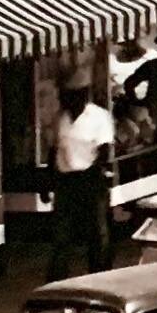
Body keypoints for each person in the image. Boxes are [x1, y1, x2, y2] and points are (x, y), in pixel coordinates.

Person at [46, 82, 116, 279]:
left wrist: (97, 176)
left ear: (83, 97)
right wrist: (49, 181)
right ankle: (57, 278)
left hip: (90, 177)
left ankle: (100, 274)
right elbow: (54, 149)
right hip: (66, 180)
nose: (65, 101)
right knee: (61, 234)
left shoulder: (99, 117)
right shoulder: (61, 118)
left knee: (97, 231)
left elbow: (104, 151)